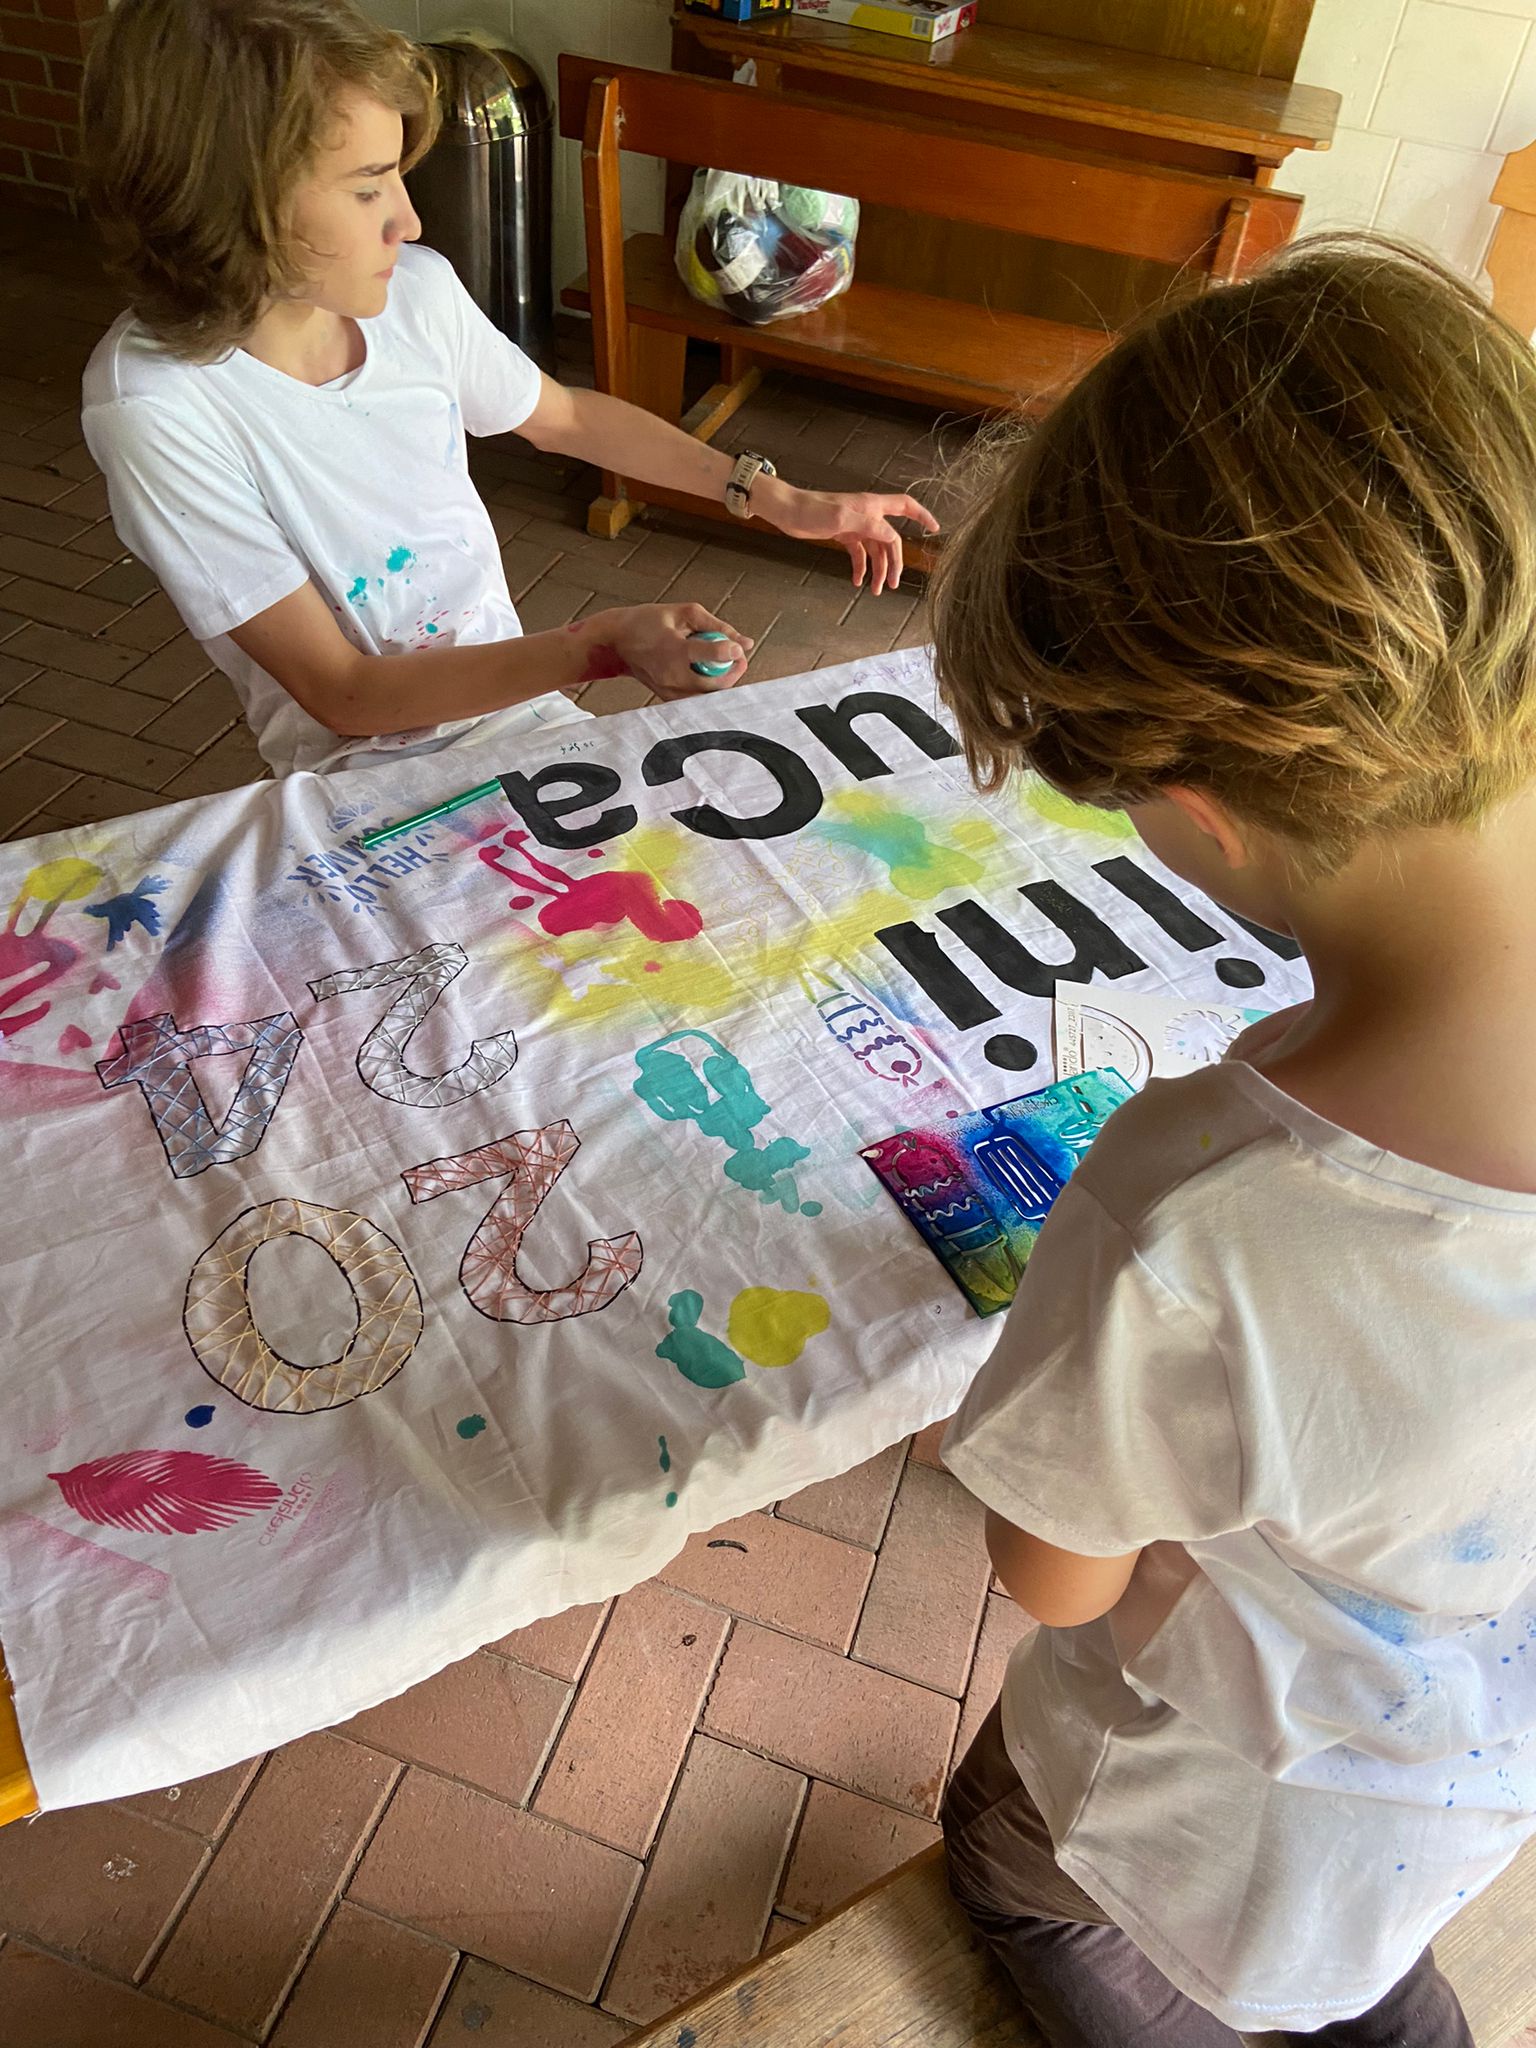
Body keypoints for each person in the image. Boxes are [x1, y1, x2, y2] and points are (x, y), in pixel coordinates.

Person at [928, 235, 1536, 2046]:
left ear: (1202, 818)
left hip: (1205, 1813)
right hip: (1465, 1774)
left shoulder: (1195, 1208)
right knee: (1361, 1947)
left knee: (1006, 1840)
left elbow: (1052, 1573)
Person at [77, 0, 936, 780]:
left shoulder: (412, 290)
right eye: (369, 185)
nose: (407, 220)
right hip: (363, 786)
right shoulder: (156, 405)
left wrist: (772, 496)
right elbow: (344, 695)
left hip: (521, 723)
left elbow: (563, 417)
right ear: (230, 200)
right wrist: (598, 648)